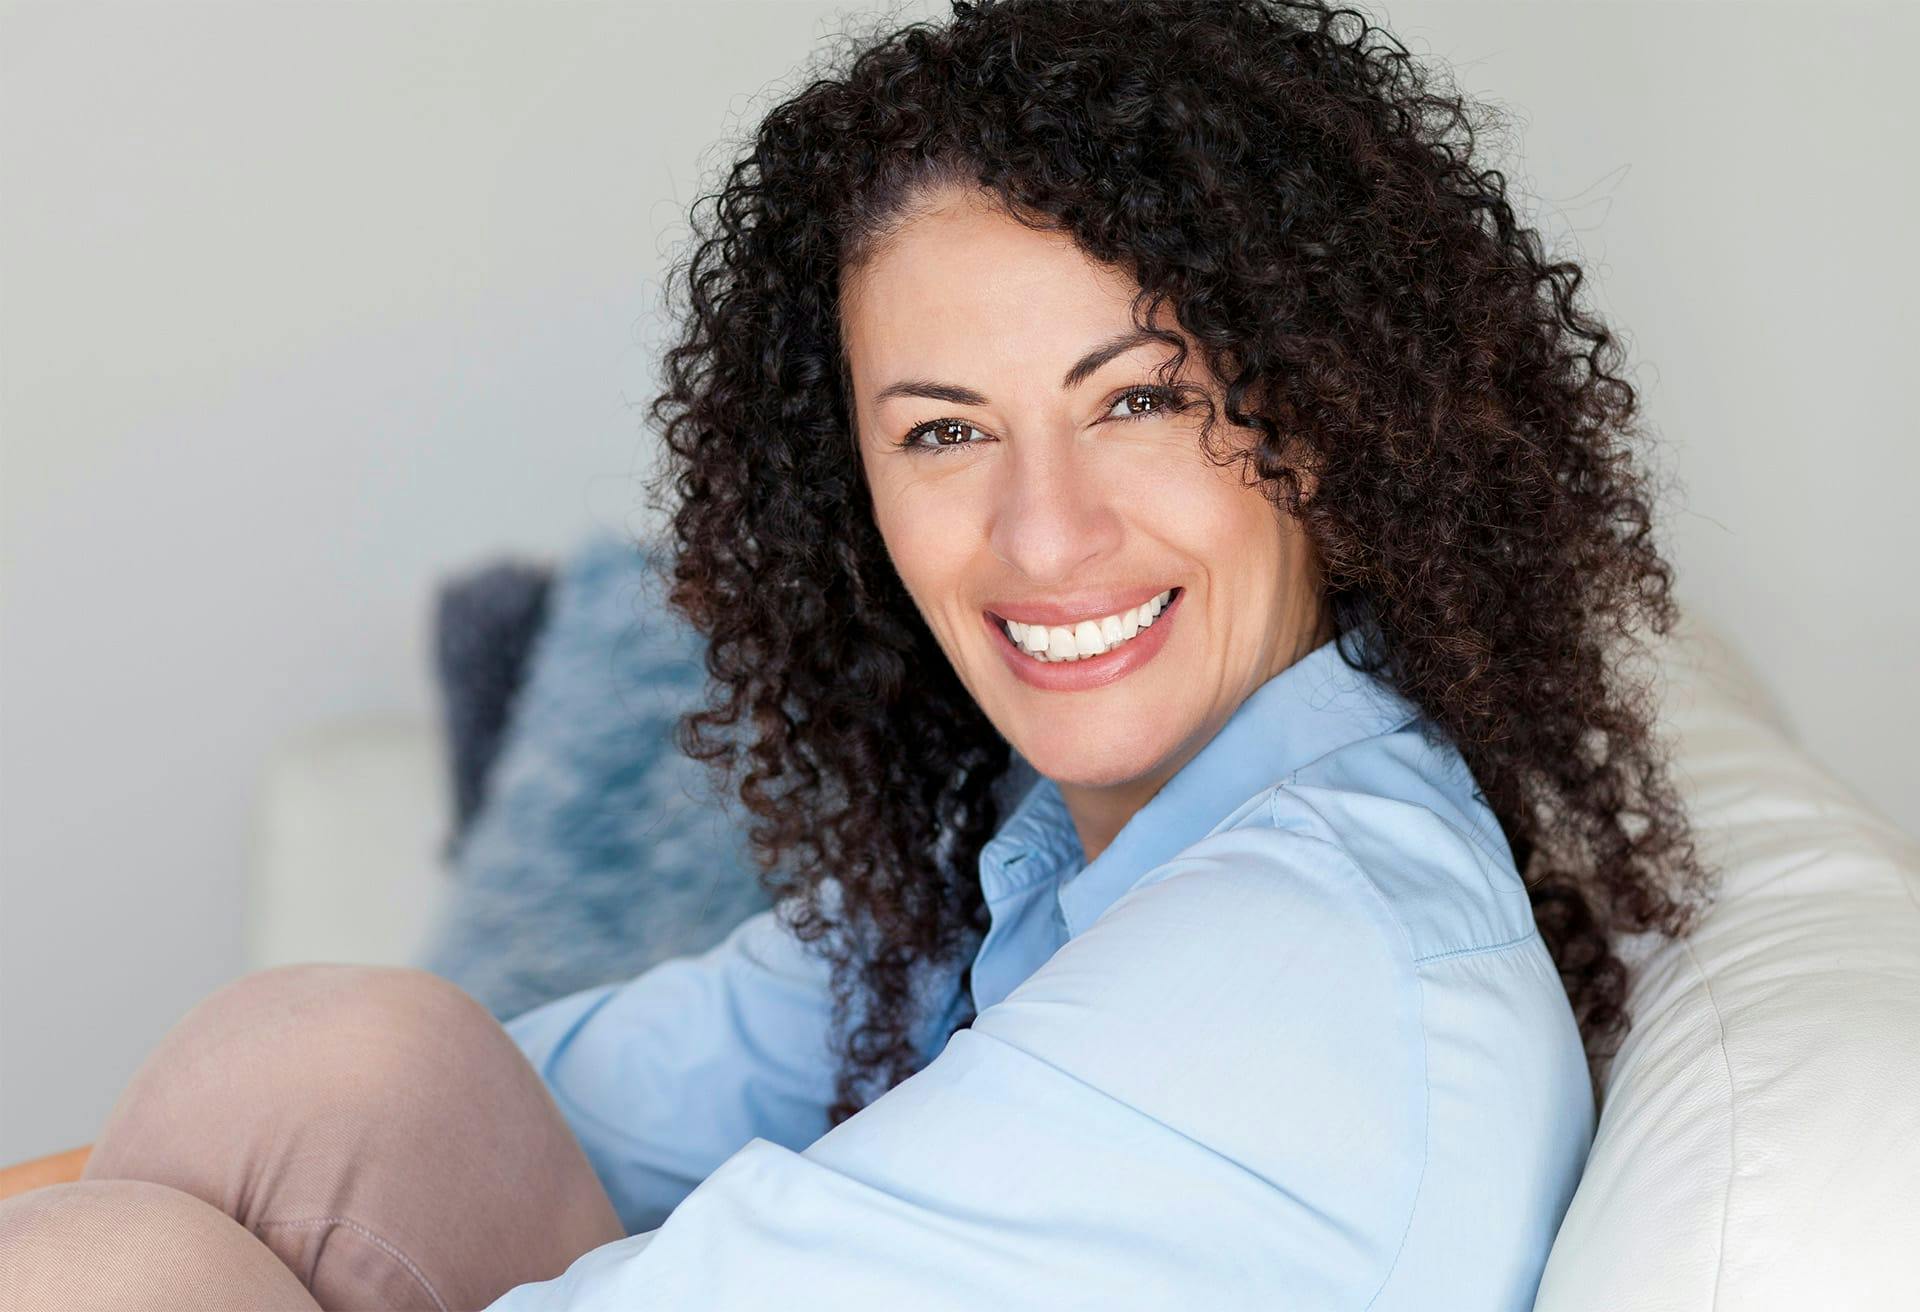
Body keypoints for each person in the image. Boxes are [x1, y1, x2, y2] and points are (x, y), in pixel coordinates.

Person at [0, 0, 1719, 1307]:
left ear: (1328, 420)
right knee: (325, 1062)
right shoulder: (1090, 849)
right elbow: (569, 1095)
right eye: (948, 434)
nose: (1046, 539)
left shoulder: (1280, 977)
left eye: (1139, 400)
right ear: (862, 490)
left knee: (117, 1276)